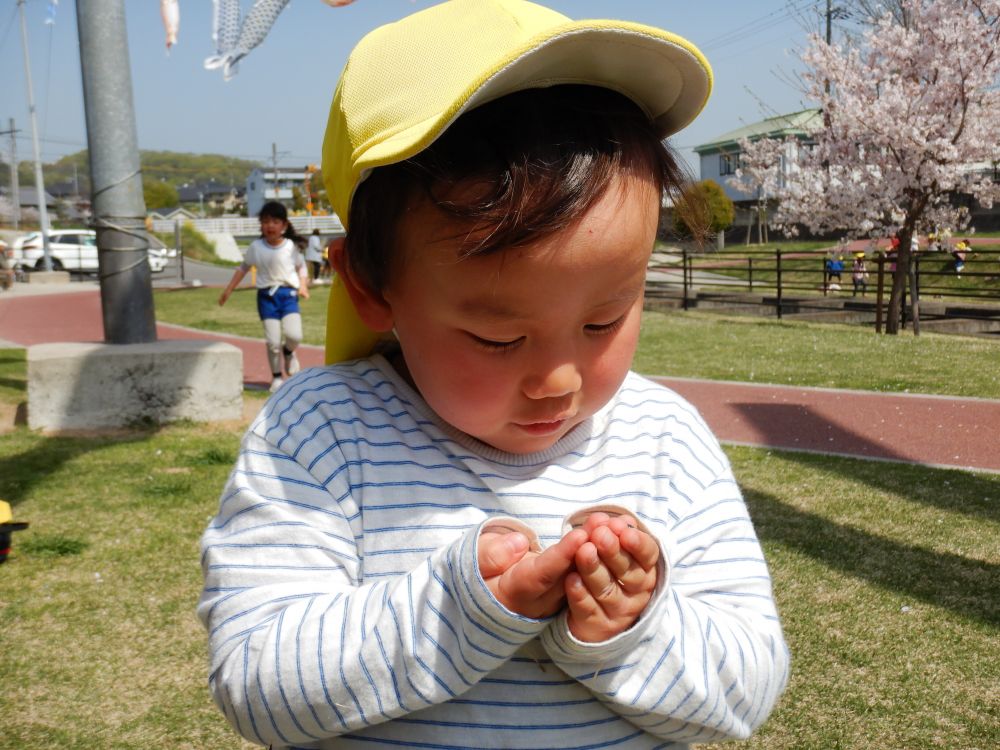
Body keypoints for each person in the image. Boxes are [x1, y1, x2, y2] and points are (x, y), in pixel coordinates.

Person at [198, 2, 789, 748]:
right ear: (372, 287)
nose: (557, 379)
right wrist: (465, 612)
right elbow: (256, 684)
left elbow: (751, 688)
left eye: (604, 320)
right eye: (498, 335)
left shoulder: (665, 438)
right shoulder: (323, 432)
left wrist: (633, 627)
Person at [217, 200, 310, 392]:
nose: (270, 226)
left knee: (294, 336)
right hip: (266, 297)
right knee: (273, 342)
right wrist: (228, 290)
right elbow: (243, 268)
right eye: (266, 221)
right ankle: (276, 377)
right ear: (261, 225)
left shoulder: (291, 247)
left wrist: (303, 286)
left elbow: (301, 268)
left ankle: (289, 352)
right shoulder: (256, 247)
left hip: (288, 294)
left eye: (275, 221)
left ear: (284, 225)